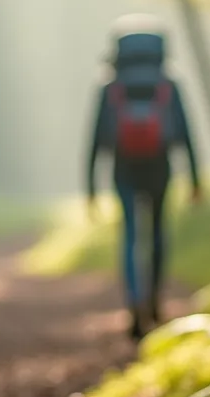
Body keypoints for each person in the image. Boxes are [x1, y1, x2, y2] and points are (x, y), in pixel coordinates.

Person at [85, 20, 200, 341]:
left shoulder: (110, 85)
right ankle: (155, 301)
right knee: (158, 231)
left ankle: (134, 301)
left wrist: (90, 186)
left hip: (123, 167)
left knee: (131, 235)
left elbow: (95, 137)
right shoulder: (167, 82)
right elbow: (186, 131)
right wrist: (195, 177)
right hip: (159, 166)